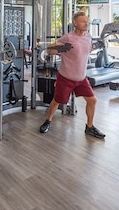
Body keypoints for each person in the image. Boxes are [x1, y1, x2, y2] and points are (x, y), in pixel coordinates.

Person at [39, 11, 105, 139]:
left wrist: (96, 46)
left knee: (92, 100)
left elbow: (86, 50)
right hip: (66, 77)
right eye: (83, 21)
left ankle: (89, 127)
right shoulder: (67, 37)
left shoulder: (88, 36)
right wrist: (61, 49)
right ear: (75, 23)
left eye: (87, 21)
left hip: (81, 78)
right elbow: (50, 50)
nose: (86, 23)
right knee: (57, 101)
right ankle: (48, 121)